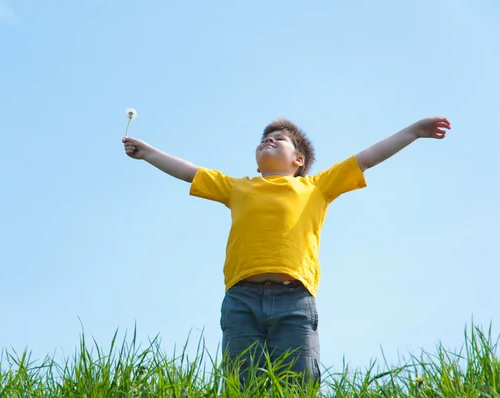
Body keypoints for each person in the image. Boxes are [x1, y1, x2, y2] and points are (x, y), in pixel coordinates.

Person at [121, 116, 451, 386]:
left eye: (278, 139)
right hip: (241, 300)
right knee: (242, 383)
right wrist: (148, 152)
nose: (269, 140)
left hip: (295, 301)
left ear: (298, 160)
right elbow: (189, 171)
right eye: (265, 138)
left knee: (300, 382)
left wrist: (414, 132)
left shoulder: (317, 186)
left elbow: (366, 158)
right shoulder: (237, 187)